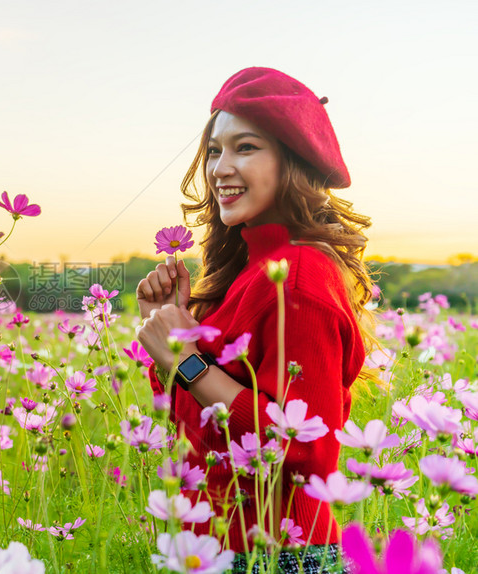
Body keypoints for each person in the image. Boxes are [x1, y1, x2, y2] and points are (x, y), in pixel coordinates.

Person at [135, 67, 375, 572]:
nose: (220, 167)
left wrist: (188, 361)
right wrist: (168, 330)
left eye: (245, 147)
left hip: (282, 553)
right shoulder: (247, 271)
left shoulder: (301, 277)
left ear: (294, 160)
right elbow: (192, 426)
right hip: (217, 544)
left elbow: (303, 447)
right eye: (215, 151)